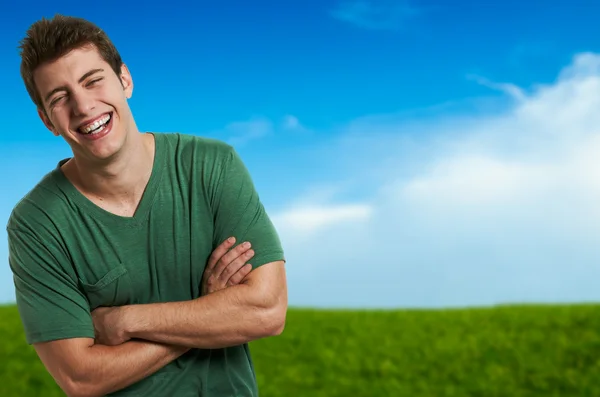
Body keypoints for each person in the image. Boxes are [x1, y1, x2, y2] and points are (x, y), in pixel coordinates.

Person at [6, 13, 287, 397]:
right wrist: (207, 311)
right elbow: (80, 377)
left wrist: (125, 321)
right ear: (46, 120)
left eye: (93, 81)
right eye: (60, 98)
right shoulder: (36, 224)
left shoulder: (212, 166)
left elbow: (266, 311)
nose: (84, 106)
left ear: (125, 79)